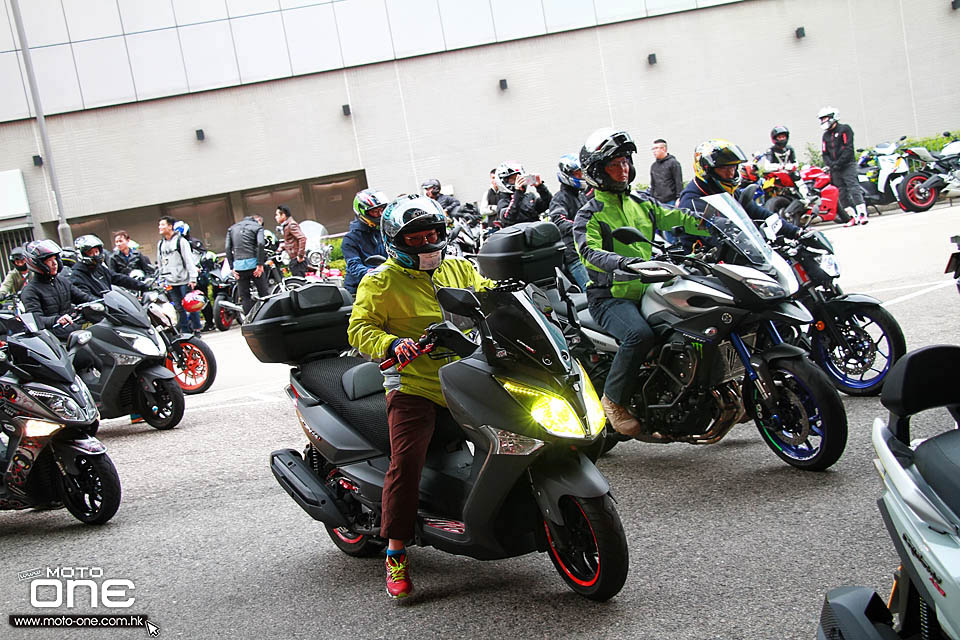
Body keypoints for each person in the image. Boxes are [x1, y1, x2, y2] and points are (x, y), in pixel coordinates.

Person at [347, 194, 494, 599]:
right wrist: (392, 344)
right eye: (417, 238)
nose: (428, 243)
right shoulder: (380, 282)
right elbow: (359, 330)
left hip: (470, 373)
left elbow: (488, 295)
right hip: (415, 386)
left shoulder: (460, 267)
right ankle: (395, 550)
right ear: (396, 242)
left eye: (433, 234)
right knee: (406, 461)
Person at [573, 128, 710, 437]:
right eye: (614, 165)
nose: (623, 170)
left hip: (650, 287)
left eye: (625, 163)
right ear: (597, 172)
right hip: (610, 296)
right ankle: (613, 401)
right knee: (638, 335)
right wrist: (625, 262)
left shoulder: (640, 203)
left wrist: (713, 226)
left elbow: (674, 216)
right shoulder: (590, 213)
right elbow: (589, 252)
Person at [677, 138, 803, 241]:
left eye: (733, 168)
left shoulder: (730, 193)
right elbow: (712, 236)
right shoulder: (692, 200)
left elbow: (761, 214)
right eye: (724, 169)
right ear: (706, 169)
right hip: (704, 265)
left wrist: (796, 232)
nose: (730, 174)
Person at [20, 239, 97, 340]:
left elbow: (83, 297)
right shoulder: (30, 291)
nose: (54, 263)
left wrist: (102, 301)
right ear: (37, 263)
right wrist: (56, 320)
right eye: (49, 260)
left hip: (74, 329)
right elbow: (36, 319)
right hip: (56, 337)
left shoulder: (63, 281)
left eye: (55, 259)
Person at [547, 154, 590, 291]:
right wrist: (584, 227)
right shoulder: (559, 198)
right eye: (577, 174)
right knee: (591, 290)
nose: (581, 176)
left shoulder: (581, 196)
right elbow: (559, 220)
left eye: (581, 173)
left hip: (590, 250)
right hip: (574, 255)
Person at [819, 106, 866, 226]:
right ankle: (851, 216)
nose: (824, 121)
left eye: (825, 118)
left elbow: (849, 148)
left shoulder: (845, 129)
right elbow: (825, 153)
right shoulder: (826, 136)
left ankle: (862, 214)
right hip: (835, 169)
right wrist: (831, 164)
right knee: (841, 193)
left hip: (847, 165)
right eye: (822, 119)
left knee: (853, 187)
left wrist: (839, 162)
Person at [157, 215, 202, 332]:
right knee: (178, 307)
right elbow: (160, 263)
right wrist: (162, 279)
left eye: (162, 224)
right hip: (171, 280)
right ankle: (185, 330)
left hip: (184, 279)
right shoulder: (160, 244)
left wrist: (193, 278)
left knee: (189, 305)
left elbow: (189, 260)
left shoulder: (181, 241)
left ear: (170, 226)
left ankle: (196, 328)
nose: (160, 227)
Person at [342, 189, 388, 295]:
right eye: (375, 212)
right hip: (360, 288)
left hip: (386, 282)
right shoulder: (350, 239)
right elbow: (354, 265)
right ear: (363, 212)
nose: (380, 214)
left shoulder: (386, 231)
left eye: (381, 210)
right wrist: (371, 272)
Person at [71, 235, 147, 298]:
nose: (95, 255)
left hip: (110, 307)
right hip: (98, 312)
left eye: (96, 251)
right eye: (90, 252)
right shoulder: (77, 275)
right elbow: (85, 297)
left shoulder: (99, 268)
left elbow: (119, 278)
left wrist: (144, 286)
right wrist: (100, 304)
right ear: (82, 254)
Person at [173, 221, 216, 331]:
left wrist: (199, 268)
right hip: (184, 277)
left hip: (199, 276)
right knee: (186, 302)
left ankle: (209, 322)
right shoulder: (175, 245)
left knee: (202, 299)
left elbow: (203, 256)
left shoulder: (193, 243)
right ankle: (191, 326)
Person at [225, 214, 269, 314]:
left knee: (245, 296)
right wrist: (260, 264)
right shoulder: (258, 227)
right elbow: (261, 244)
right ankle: (267, 316)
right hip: (254, 265)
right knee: (264, 293)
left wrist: (232, 267)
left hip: (239, 266)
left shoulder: (232, 229)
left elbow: (227, 248)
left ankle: (249, 319)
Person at [494, 161, 552, 228]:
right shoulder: (503, 202)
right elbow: (509, 217)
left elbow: (548, 203)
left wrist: (540, 187)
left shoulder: (529, 197)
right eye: (512, 179)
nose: (517, 181)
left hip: (534, 234)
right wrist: (517, 193)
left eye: (518, 178)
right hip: (516, 236)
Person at [275, 205, 308, 277]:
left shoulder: (291, 225)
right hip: (294, 258)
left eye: (277, 215)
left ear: (283, 215)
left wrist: (300, 256)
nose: (275, 217)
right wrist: (282, 246)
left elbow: (302, 238)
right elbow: (292, 241)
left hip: (297, 259)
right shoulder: (286, 225)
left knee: (299, 283)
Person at [649, 139, 683, 205]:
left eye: (656, 148)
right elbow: (653, 185)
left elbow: (678, 182)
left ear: (663, 149)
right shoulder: (653, 166)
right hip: (657, 202)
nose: (654, 151)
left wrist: (679, 198)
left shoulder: (673, 163)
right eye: (653, 149)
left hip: (671, 201)